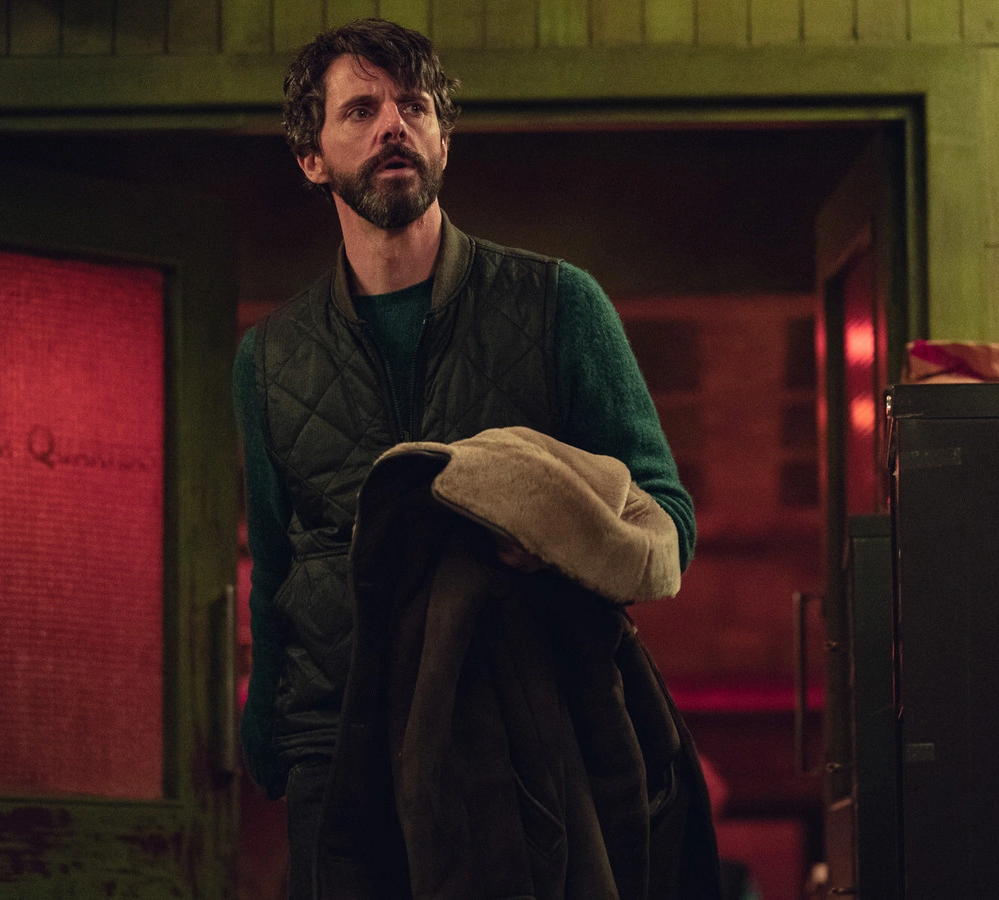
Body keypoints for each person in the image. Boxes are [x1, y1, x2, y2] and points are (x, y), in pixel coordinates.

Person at [232, 17, 697, 899]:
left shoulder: (560, 304)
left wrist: (552, 538)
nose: (393, 125)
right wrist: (269, 732)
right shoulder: (269, 357)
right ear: (311, 157)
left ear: (444, 137)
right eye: (361, 110)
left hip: (517, 736)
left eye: (414, 106)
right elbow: (277, 562)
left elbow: (666, 516)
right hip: (339, 744)